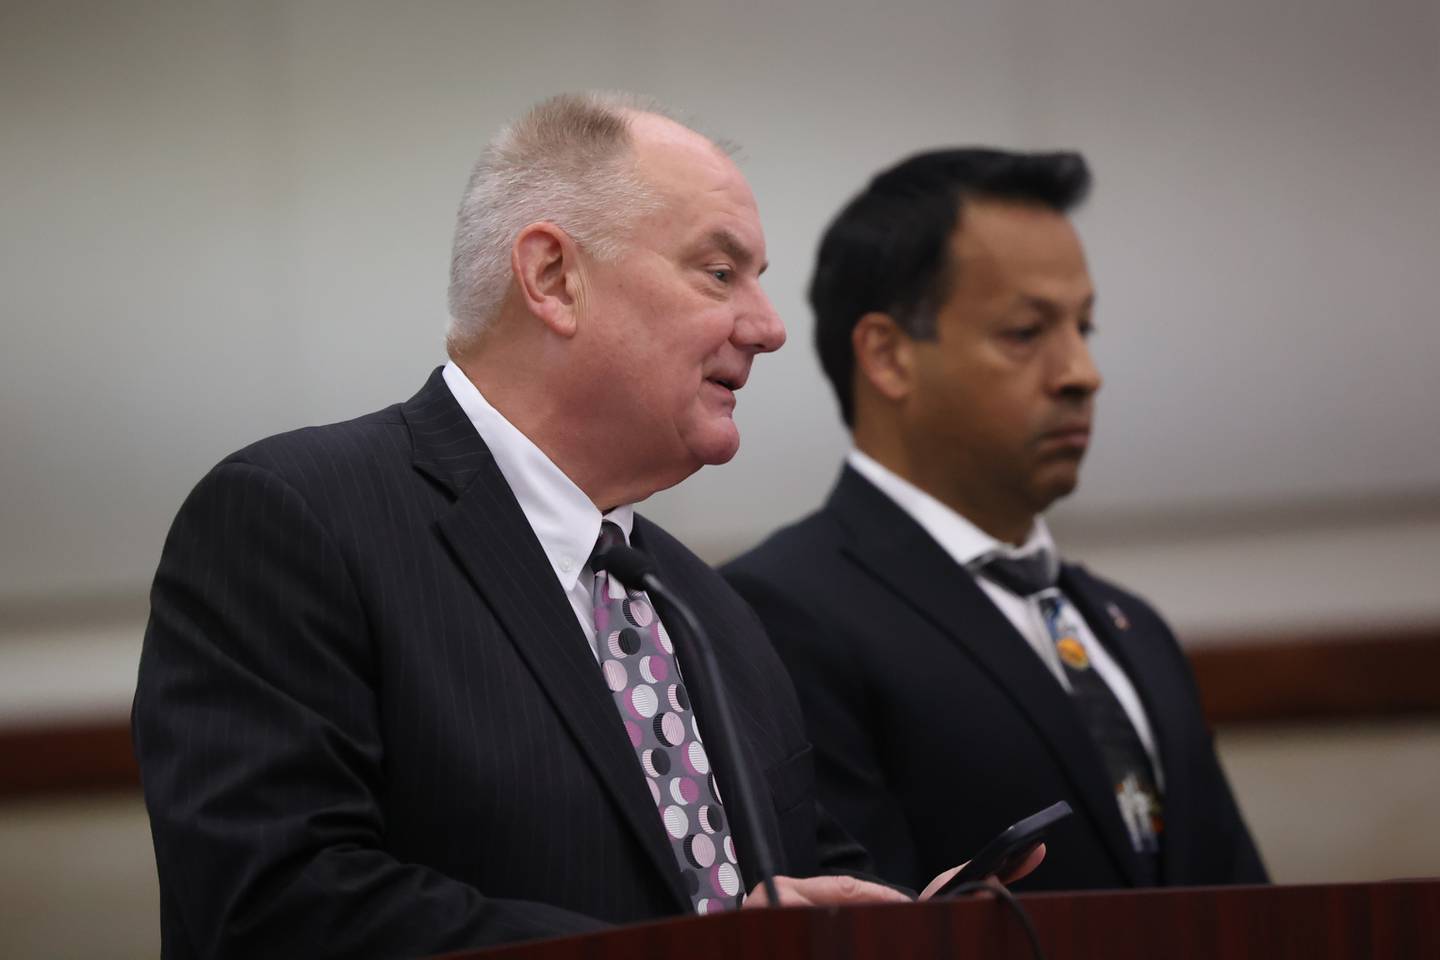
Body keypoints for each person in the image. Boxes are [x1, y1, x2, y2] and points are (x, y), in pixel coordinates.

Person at [132, 95, 1022, 960]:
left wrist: (895, 927)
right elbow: (273, 909)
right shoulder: (296, 519)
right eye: (721, 273)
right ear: (555, 278)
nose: (770, 327)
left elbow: (788, 888)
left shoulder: (705, 607)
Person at [722, 148, 1268, 893]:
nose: (1082, 372)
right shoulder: (774, 615)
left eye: (1084, 327)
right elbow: (857, 918)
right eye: (1026, 332)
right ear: (887, 356)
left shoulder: (1130, 627)